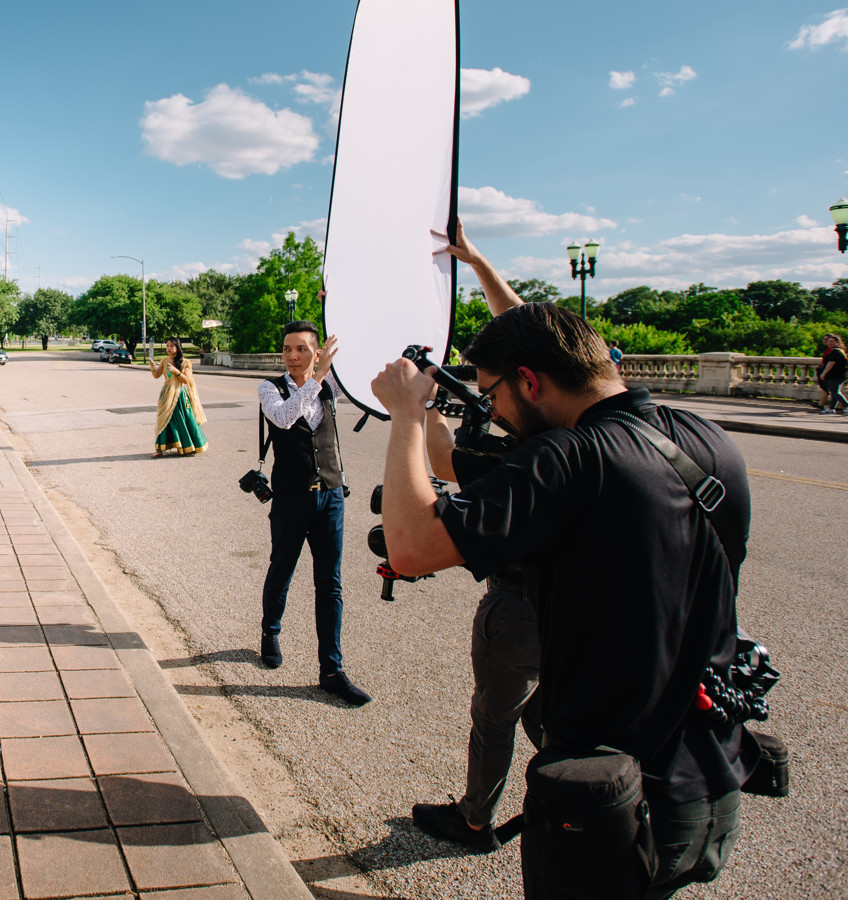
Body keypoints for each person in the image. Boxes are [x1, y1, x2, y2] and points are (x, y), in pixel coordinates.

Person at [371, 303, 756, 899]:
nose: (492, 412)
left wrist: (405, 415)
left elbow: (413, 546)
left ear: (529, 380)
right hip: (707, 769)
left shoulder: (568, 460)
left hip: (607, 796)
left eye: (493, 395)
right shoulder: (707, 437)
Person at [412, 223, 542, 852]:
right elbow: (539, 341)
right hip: (607, 606)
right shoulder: (619, 429)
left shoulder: (524, 465)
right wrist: (480, 264)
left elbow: (439, 463)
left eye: (490, 391)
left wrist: (420, 403)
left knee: (496, 716)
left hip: (523, 608)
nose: (486, 400)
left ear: (526, 384)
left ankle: (474, 819)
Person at [257, 320, 370, 706]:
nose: (292, 356)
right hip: (291, 497)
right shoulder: (270, 388)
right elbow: (286, 417)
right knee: (282, 569)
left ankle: (332, 670)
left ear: (317, 352)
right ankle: (270, 631)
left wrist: (334, 308)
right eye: (287, 349)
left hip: (331, 496)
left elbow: (361, 376)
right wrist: (315, 380)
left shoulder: (331, 386)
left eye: (302, 348)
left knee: (331, 583)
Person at [148, 337, 208, 456]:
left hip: (179, 395)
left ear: (177, 347)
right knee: (163, 420)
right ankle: (159, 450)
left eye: (171, 346)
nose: (169, 348)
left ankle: (188, 446)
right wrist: (152, 367)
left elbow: (186, 380)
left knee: (182, 421)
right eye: (167, 346)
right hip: (166, 395)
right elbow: (157, 375)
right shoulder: (165, 361)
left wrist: (176, 370)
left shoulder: (185, 362)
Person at [815, 332, 846, 415]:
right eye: (829, 341)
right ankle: (831, 408)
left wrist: (823, 373)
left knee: (835, 392)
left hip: (835, 375)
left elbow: (831, 363)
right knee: (834, 392)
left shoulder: (835, 351)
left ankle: (846, 405)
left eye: (832, 341)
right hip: (840, 374)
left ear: (837, 342)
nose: (829, 343)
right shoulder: (841, 350)